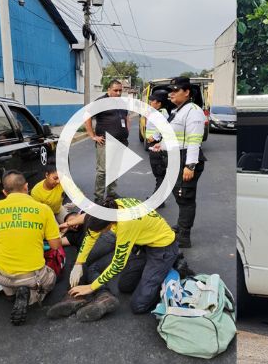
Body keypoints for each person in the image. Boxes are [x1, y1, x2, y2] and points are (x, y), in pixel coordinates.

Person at [47, 197, 179, 322]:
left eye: (102, 231)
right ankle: (153, 273)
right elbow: (91, 236)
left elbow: (118, 264)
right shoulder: (107, 209)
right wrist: (78, 262)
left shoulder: (126, 224)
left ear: (109, 224)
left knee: (138, 306)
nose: (100, 234)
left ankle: (170, 268)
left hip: (162, 249)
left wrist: (91, 287)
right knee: (125, 287)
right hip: (142, 246)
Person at [0, 170, 63, 325]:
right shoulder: (44, 209)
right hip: (32, 277)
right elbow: (55, 245)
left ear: (4, 192)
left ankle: (10, 293)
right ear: (26, 187)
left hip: (1, 275)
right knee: (54, 268)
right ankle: (33, 295)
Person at [167, 76, 207, 248]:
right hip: (177, 157)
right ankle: (181, 224)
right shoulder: (178, 111)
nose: (172, 94)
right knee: (179, 193)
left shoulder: (194, 111)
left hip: (188, 159)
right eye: (171, 90)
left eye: (176, 90)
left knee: (186, 197)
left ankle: (184, 235)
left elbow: (194, 141)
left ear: (187, 92)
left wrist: (190, 165)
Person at [85, 80, 130, 204]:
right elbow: (87, 116)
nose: (118, 93)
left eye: (120, 90)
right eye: (115, 90)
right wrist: (92, 136)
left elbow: (126, 118)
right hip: (105, 142)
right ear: (109, 90)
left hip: (121, 141)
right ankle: (98, 197)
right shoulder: (101, 102)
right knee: (103, 171)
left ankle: (111, 193)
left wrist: (126, 132)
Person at [145, 91, 169, 207]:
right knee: (159, 174)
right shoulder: (157, 112)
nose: (150, 102)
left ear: (158, 103)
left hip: (157, 146)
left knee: (160, 174)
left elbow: (165, 127)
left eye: (152, 100)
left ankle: (157, 201)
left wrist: (154, 137)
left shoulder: (161, 114)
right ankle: (159, 199)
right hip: (154, 145)